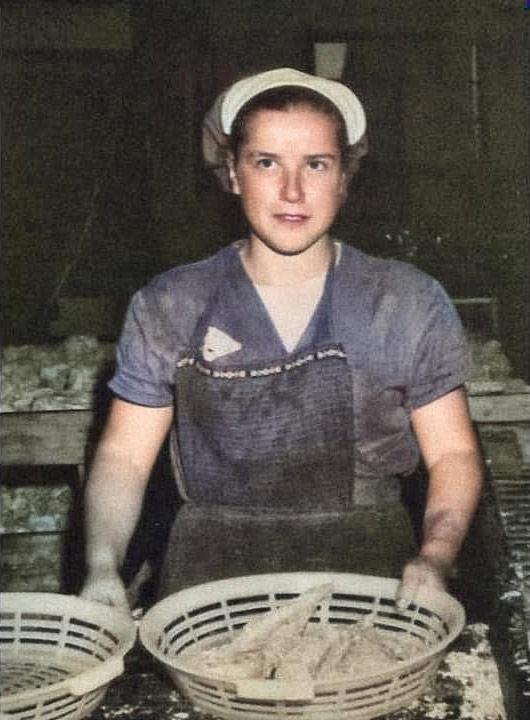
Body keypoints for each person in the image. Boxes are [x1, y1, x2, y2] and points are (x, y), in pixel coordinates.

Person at [80, 68, 483, 611]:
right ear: (233, 172)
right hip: (209, 580)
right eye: (266, 162)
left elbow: (454, 453)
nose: (292, 191)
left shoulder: (405, 301)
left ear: (344, 177)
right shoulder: (171, 303)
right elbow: (125, 457)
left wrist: (435, 556)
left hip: (369, 576)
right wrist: (103, 566)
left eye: (316, 164)